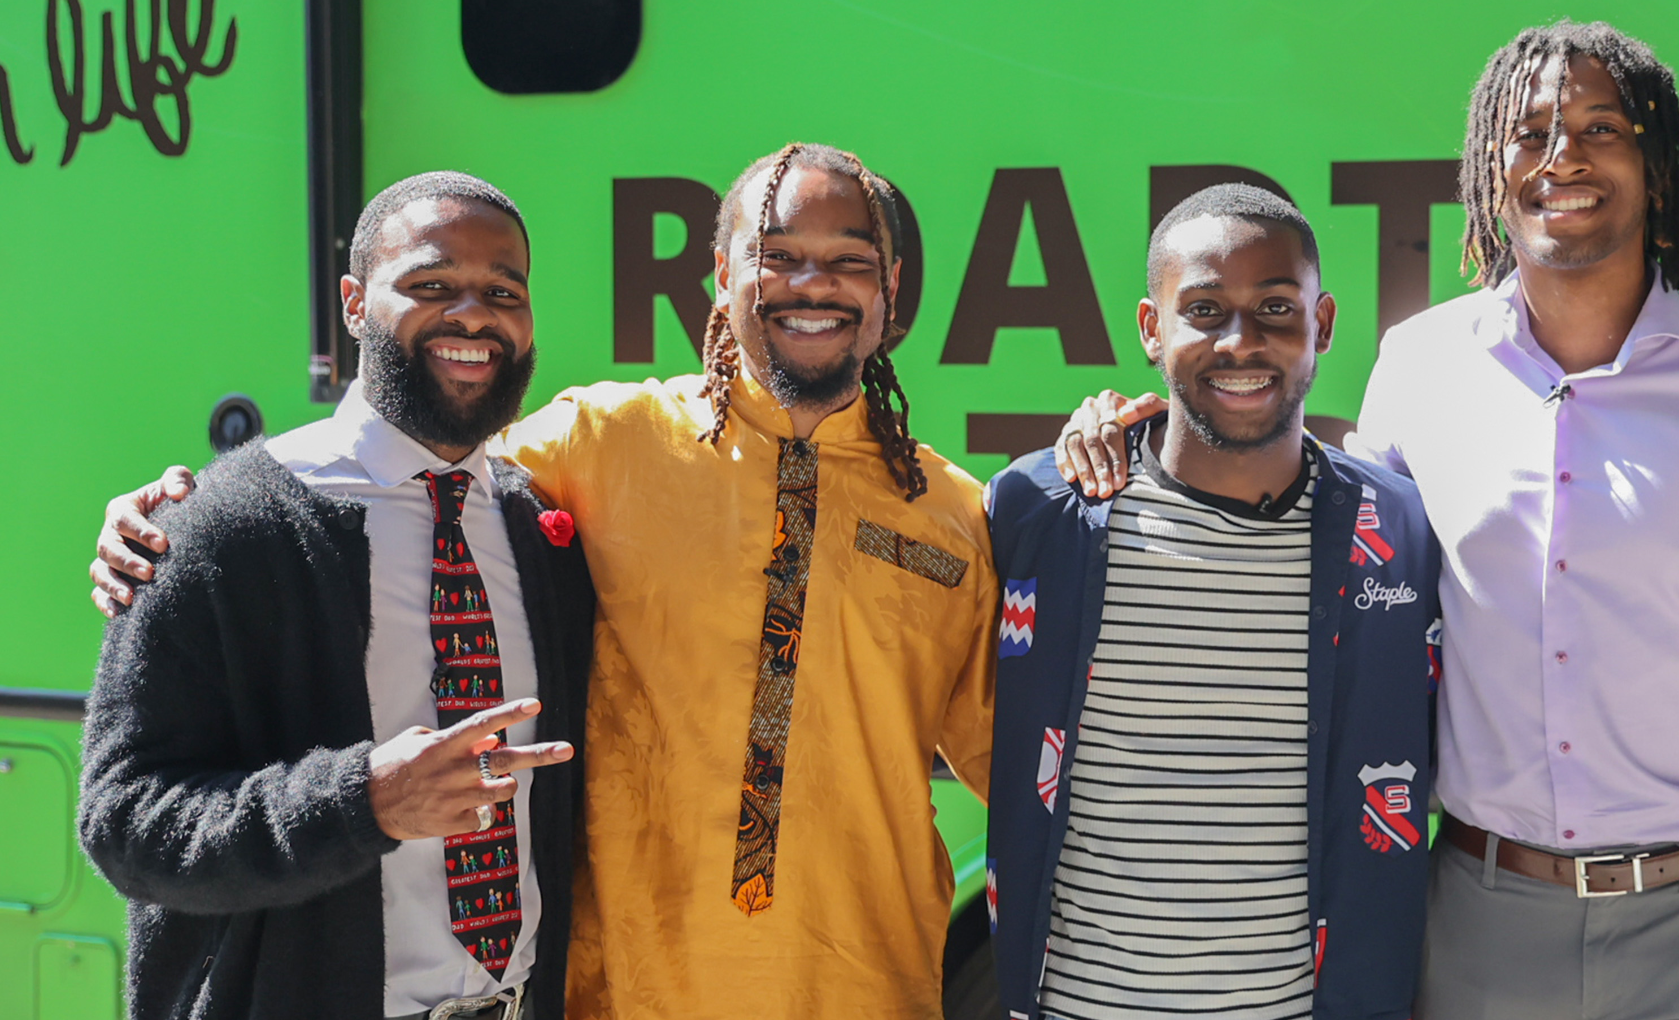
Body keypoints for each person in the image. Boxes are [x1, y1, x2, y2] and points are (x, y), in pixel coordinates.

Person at [1056, 21, 1679, 1020]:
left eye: (1601, 128)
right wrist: (1126, 428)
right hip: (1476, 923)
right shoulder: (1422, 366)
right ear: (1488, 172)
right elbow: (1337, 585)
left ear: (1659, 164)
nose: (1563, 158)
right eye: (1530, 131)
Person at [93, 144, 999, 1020]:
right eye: (778, 255)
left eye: (849, 261)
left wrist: (1121, 457)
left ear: (889, 293)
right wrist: (179, 510)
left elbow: (1020, 753)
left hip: (872, 993)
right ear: (720, 277)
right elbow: (406, 453)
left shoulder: (953, 515)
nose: (813, 284)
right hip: (621, 998)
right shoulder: (605, 443)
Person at [80, 171, 596, 1020]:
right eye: (431, 284)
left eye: (504, 290)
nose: (474, 314)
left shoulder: (542, 532)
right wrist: (363, 802)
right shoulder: (220, 525)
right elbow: (127, 823)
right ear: (355, 303)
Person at [986, 184, 1441, 1020]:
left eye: (1275, 307)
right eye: (1204, 309)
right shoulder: (1042, 512)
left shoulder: (1399, 527)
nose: (1241, 341)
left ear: (1324, 324)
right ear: (1151, 329)